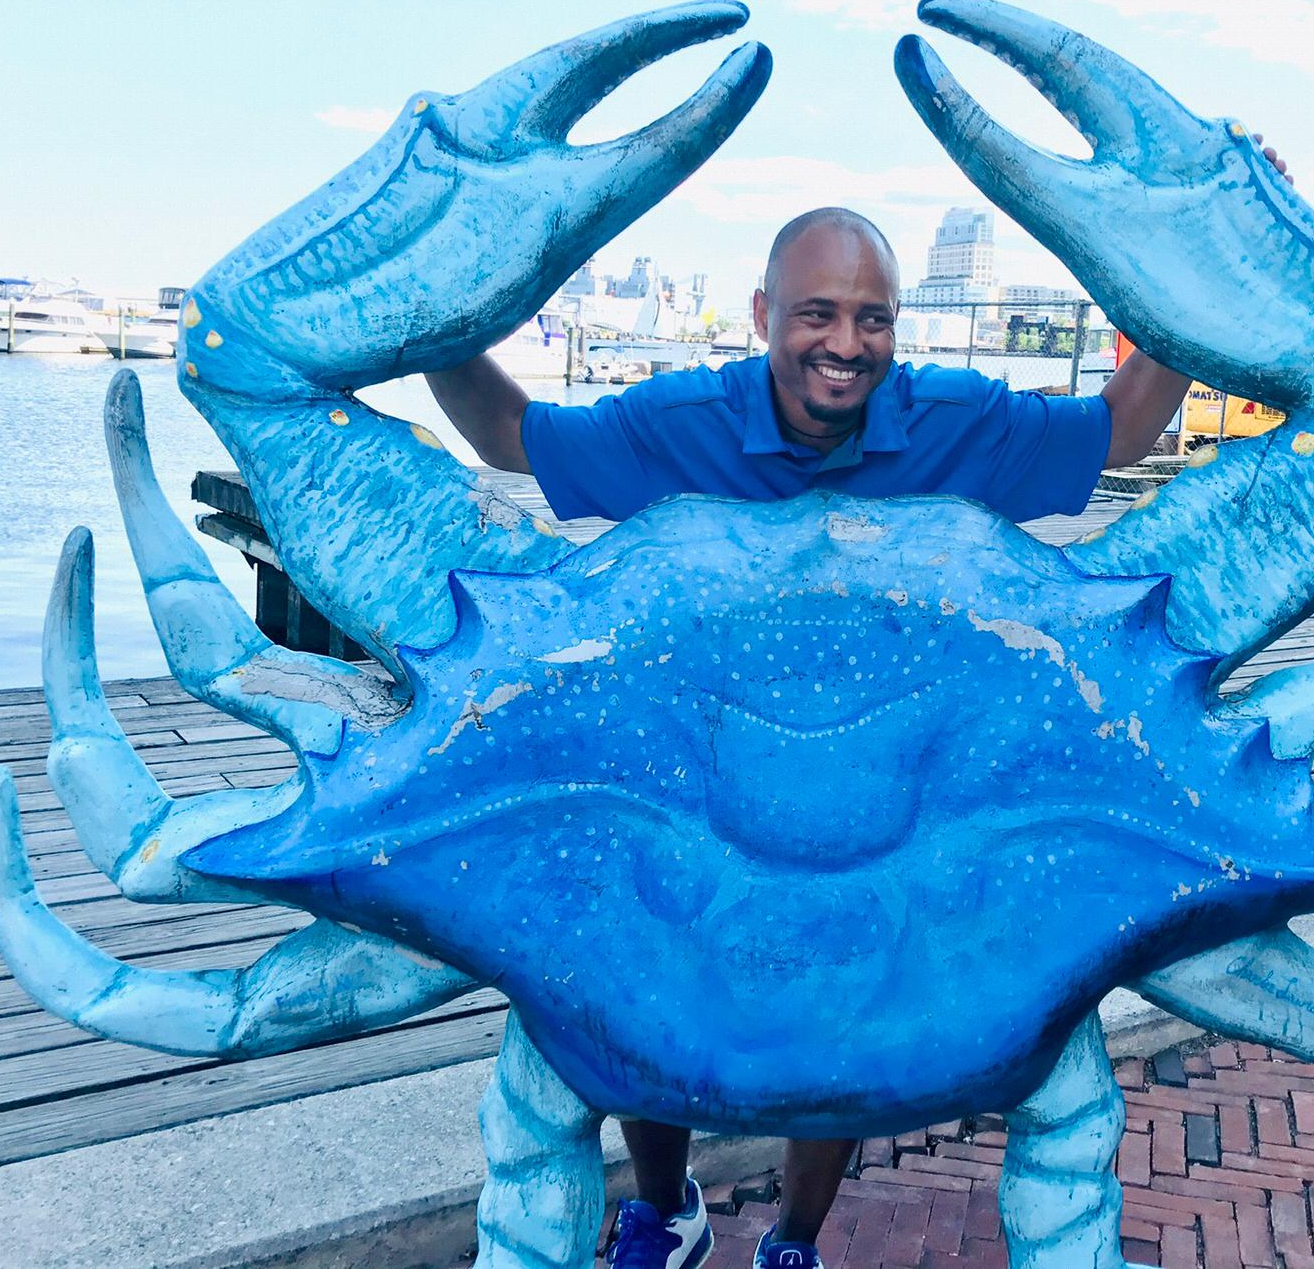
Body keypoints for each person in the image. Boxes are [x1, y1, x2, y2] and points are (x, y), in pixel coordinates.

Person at [426, 207, 1194, 1269]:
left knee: (841, 1012)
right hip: (696, 775)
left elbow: (1118, 432)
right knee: (639, 986)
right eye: (817, 313)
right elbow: (511, 437)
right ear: (762, 314)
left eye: (872, 318)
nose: (845, 343)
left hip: (875, 793)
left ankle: (792, 1241)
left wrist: (1186, 265)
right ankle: (666, 1212)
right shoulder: (684, 423)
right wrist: (436, 316)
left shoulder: (950, 422)